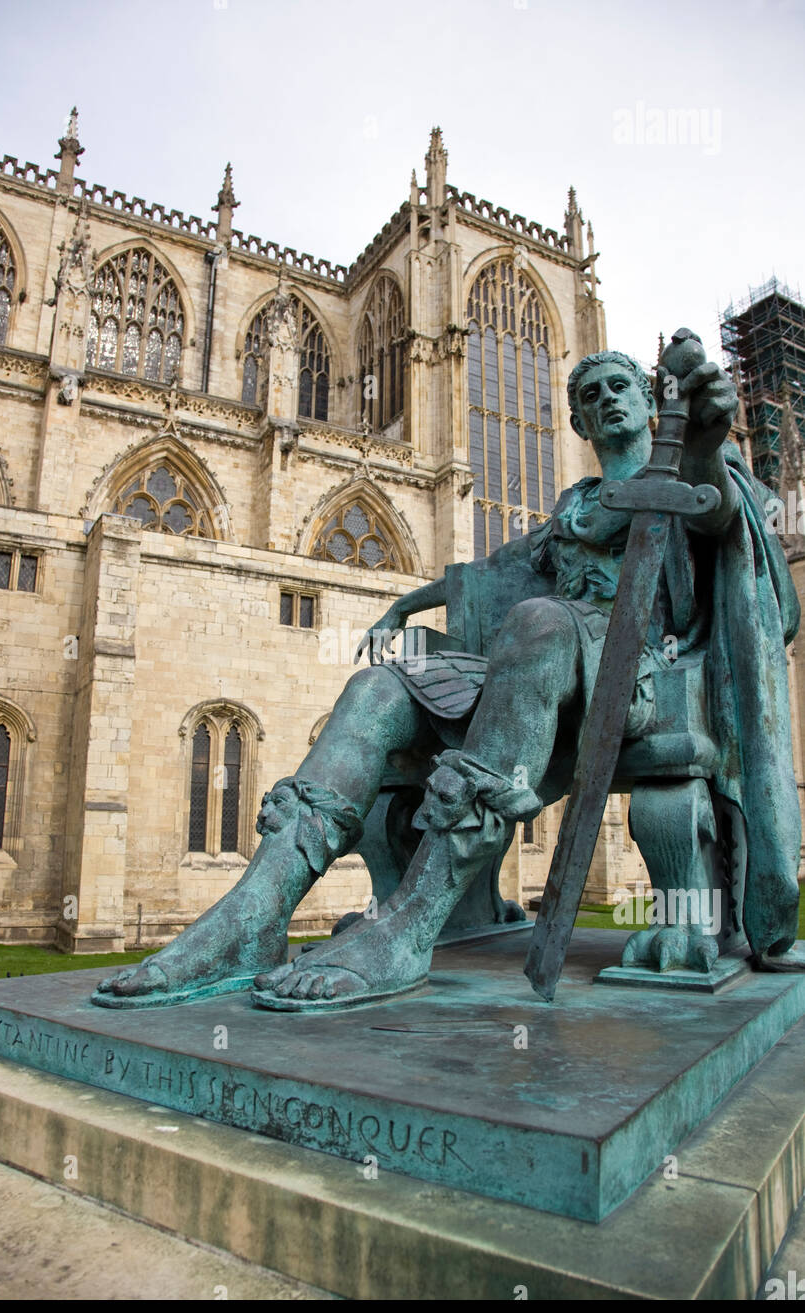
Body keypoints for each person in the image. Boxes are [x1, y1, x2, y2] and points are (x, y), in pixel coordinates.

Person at [93, 343, 802, 1012]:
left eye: (620, 387)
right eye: (591, 395)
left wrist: (705, 451)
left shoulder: (686, 473)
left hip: (642, 672)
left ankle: (409, 925)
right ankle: (251, 919)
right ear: (580, 422)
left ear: (650, 404)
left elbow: (725, 523)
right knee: (380, 687)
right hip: (544, 664)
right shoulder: (575, 508)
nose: (607, 400)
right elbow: (489, 574)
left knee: (538, 621)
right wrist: (404, 604)